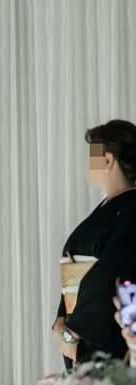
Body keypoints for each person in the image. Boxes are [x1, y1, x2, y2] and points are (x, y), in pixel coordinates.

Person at [53, 120, 136, 369]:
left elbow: (108, 275)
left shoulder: (131, 211)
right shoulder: (112, 207)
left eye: (93, 155)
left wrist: (73, 333)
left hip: (102, 339)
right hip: (77, 329)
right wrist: (61, 319)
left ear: (107, 159)